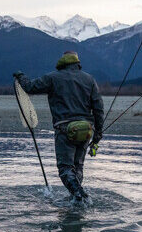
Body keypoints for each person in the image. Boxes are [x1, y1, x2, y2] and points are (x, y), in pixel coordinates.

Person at [14, 51, 104, 201]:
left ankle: (80, 196)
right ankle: (76, 199)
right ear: (77, 62)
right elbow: (98, 109)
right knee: (77, 167)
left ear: (62, 61)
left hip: (65, 130)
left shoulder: (53, 77)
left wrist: (20, 77)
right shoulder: (89, 79)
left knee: (65, 169)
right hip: (87, 130)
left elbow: (30, 87)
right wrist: (97, 136)